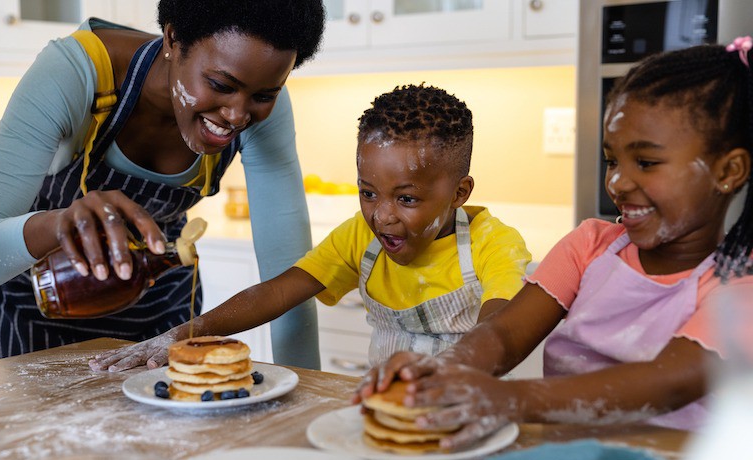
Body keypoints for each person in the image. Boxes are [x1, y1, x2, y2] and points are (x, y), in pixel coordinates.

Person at [355, 40, 753, 450]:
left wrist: (508, 400)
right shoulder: (590, 246)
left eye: (646, 163)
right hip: (562, 456)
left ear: (728, 171)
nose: (617, 182)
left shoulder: (740, 287)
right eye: (612, 161)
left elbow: (668, 382)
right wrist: (439, 373)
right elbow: (505, 335)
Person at [0, 0, 325, 369]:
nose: (237, 115)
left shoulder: (256, 88)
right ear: (172, 39)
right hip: (45, 302)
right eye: (220, 85)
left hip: (165, 311)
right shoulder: (77, 72)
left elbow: (289, 279)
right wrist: (57, 224)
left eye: (263, 96)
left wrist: (307, 393)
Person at [88, 84, 531, 371]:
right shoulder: (361, 236)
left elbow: (501, 324)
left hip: (474, 408)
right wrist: (186, 333)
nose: (382, 215)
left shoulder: (495, 245)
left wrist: (456, 367)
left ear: (459, 193)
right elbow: (277, 292)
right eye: (368, 192)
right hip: (389, 406)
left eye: (407, 198)